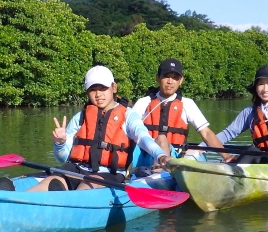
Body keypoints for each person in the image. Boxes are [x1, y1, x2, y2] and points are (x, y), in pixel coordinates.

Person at [12, 65, 170, 192]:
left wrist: (161, 156)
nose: (98, 94)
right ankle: (18, 205)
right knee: (51, 181)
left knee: (86, 186)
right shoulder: (80, 117)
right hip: (76, 169)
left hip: (109, 174)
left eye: (103, 88)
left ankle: (66, 206)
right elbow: (62, 158)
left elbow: (143, 138)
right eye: (93, 89)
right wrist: (60, 143)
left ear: (113, 88)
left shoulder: (128, 116)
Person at [131, 58, 230, 166]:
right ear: (157, 78)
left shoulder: (187, 104)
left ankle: (160, 172)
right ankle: (155, 173)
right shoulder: (143, 103)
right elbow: (128, 133)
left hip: (174, 157)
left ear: (181, 80)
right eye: (166, 76)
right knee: (161, 138)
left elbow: (206, 133)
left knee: (163, 139)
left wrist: (227, 156)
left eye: (175, 78)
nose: (170, 81)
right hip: (146, 156)